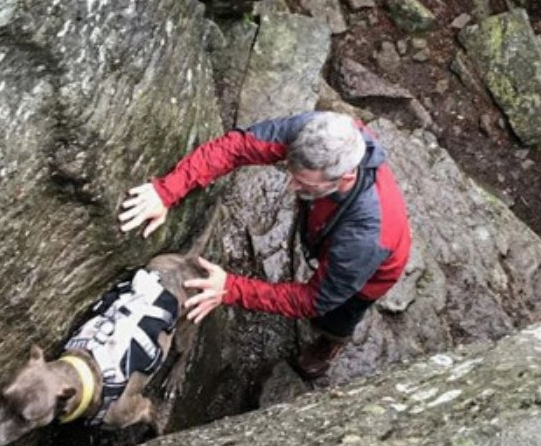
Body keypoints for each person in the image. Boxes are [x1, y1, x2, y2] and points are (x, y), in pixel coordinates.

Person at [118, 111, 412, 379]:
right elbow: (237, 146)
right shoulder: (322, 133)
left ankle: (330, 343)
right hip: (332, 228)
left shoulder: (367, 235)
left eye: (304, 185)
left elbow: (315, 299)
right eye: (292, 175)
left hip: (371, 274)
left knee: (337, 313)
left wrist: (231, 288)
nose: (291, 187)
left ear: (345, 177)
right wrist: (167, 191)